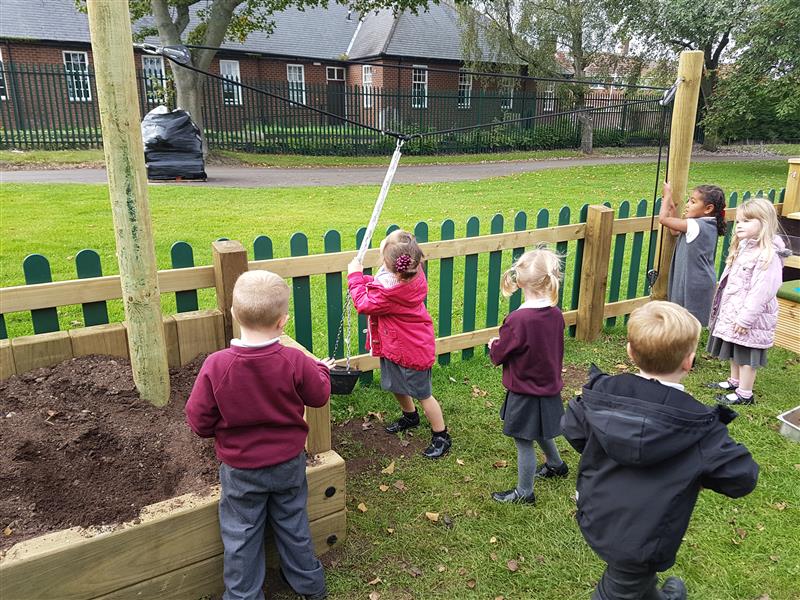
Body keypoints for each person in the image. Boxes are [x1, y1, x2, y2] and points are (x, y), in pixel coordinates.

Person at [563, 301, 759, 600]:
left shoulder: (600, 395)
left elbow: (572, 427)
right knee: (620, 586)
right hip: (646, 537)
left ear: (630, 351)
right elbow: (743, 477)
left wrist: (601, 446)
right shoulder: (702, 429)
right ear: (689, 361)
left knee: (631, 580)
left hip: (598, 513)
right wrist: (699, 473)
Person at [186, 270, 333, 600]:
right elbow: (320, 394)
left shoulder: (216, 365)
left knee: (241, 534)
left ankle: (242, 596)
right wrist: (321, 368)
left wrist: (217, 430)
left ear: (234, 314)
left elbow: (198, 422)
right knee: (293, 522)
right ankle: (310, 585)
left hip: (241, 472)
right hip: (287, 464)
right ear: (283, 321)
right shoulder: (294, 360)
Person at [347, 229, 451, 459]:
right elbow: (377, 282)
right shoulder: (409, 271)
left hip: (412, 349)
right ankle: (410, 416)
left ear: (389, 262)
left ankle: (441, 435)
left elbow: (364, 303)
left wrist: (354, 277)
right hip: (394, 345)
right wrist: (366, 279)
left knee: (423, 394)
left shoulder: (392, 291)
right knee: (395, 384)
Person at [487, 247, 568, 505]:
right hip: (548, 386)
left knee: (524, 440)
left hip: (525, 390)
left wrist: (493, 345)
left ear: (520, 281)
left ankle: (525, 492)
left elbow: (501, 353)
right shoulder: (556, 314)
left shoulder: (518, 319)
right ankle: (556, 465)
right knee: (542, 429)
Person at [706, 196, 791, 405]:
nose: (740, 226)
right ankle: (734, 381)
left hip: (751, 317)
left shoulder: (767, 255)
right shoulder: (745, 247)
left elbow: (762, 292)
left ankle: (745, 393)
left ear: (764, 224)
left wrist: (745, 318)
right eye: (739, 221)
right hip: (735, 310)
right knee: (735, 347)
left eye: (747, 221)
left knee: (746, 354)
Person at [659, 182, 726, 326]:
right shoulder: (707, 224)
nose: (688, 204)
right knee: (686, 319)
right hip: (699, 278)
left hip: (693, 280)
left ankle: (682, 344)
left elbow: (663, 220)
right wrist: (671, 206)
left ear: (708, 209)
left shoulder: (696, 225)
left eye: (693, 201)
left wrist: (667, 196)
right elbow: (674, 231)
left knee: (686, 319)